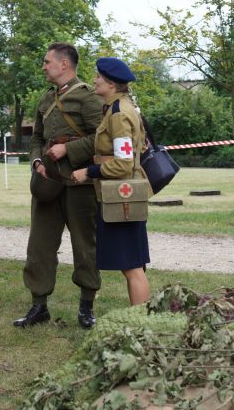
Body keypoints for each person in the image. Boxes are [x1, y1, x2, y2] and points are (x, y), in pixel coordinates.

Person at [13, 43, 103, 329]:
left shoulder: (88, 98)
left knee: (85, 246)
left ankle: (86, 307)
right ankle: (39, 306)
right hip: (48, 182)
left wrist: (69, 150)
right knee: (39, 245)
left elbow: (101, 138)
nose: (43, 66)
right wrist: (37, 160)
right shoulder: (45, 98)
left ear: (64, 64)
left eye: (47, 61)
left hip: (80, 183)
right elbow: (36, 138)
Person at [72, 57, 151, 306]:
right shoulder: (119, 107)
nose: (94, 80)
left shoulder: (118, 114)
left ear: (111, 84)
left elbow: (123, 162)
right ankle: (140, 320)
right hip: (122, 195)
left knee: (132, 266)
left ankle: (140, 323)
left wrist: (90, 171)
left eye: (99, 77)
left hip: (122, 197)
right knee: (132, 264)